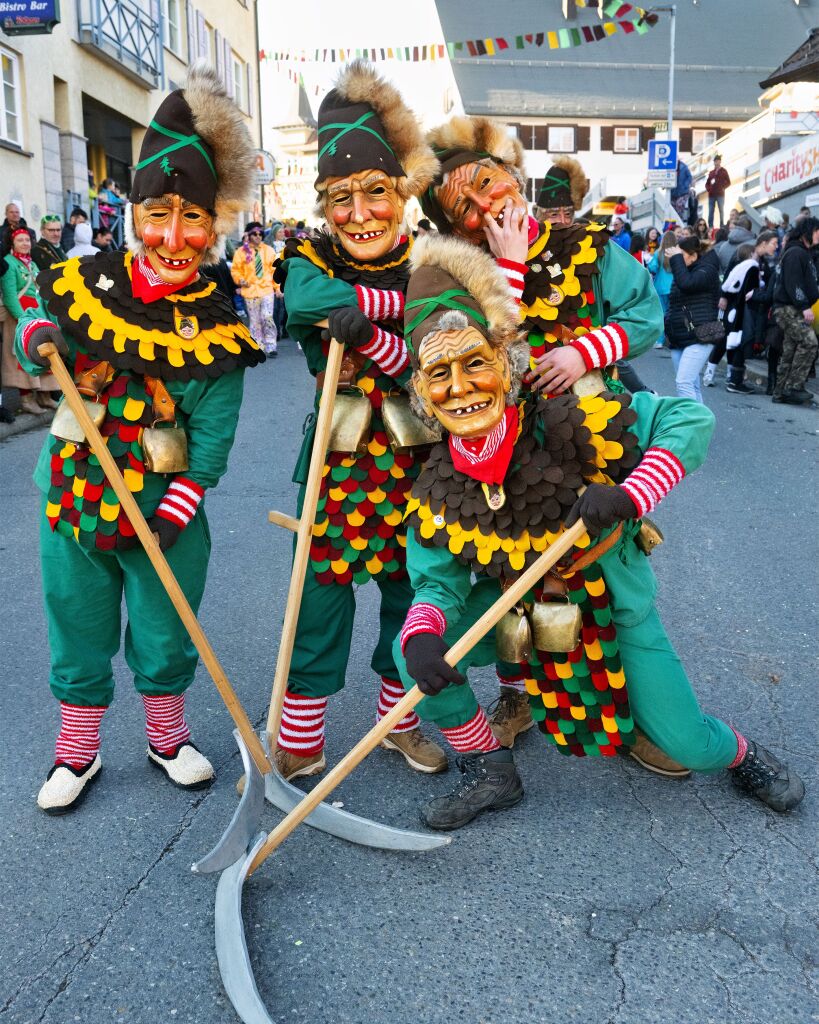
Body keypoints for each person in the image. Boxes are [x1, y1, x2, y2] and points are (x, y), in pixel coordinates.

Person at [392, 234, 804, 830]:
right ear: (422, 395)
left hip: (612, 604)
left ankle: (741, 753)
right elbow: (436, 584)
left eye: (474, 362)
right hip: (523, 616)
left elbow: (691, 417)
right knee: (415, 653)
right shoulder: (438, 484)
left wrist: (632, 493)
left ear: (505, 361)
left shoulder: (574, 417)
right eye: (439, 373)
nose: (459, 387)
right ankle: (489, 766)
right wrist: (424, 633)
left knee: (687, 745)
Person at [13, 65, 264, 814]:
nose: (174, 235)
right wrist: (37, 338)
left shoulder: (219, 319)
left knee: (164, 626)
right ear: (134, 211)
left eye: (193, 219)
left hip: (165, 509)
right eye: (159, 213)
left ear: (214, 224)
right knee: (78, 620)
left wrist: (178, 505)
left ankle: (166, 737)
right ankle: (78, 751)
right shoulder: (81, 278)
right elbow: (33, 334)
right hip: (74, 495)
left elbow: (213, 433)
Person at [419, 139, 668, 765]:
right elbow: (479, 351)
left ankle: (648, 717)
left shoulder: (588, 248)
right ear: (453, 227)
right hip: (508, 462)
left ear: (512, 174)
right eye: (464, 206)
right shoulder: (456, 276)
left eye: (489, 183)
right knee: (520, 589)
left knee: (613, 589)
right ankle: (524, 700)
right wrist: (506, 266)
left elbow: (646, 313)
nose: (485, 204)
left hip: (591, 447)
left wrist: (587, 350)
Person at [270, 61, 447, 780]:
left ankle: (393, 728)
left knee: (410, 596)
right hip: (335, 466)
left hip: (419, 465)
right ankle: (302, 741)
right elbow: (305, 302)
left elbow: (448, 323)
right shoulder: (305, 258)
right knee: (316, 600)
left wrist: (376, 319)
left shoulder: (435, 260)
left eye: (375, 193)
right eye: (339, 198)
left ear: (402, 193)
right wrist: (394, 307)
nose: (360, 213)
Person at [703, 231, 779, 393]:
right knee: (726, 340)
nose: (776, 246)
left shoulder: (764, 263)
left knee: (735, 342)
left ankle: (733, 377)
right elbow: (730, 277)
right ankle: (711, 373)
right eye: (774, 243)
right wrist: (724, 296)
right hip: (735, 308)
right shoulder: (745, 258)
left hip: (747, 310)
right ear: (763, 243)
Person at [1, 228, 59, 414]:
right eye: (20, 240)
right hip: (19, 317)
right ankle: (26, 399)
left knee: (41, 354)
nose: (25, 243)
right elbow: (10, 295)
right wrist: (22, 320)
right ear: (12, 243)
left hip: (35, 313)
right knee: (21, 357)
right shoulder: (9, 263)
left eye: (27, 240)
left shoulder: (31, 263)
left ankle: (45, 397)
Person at [664, 236, 721, 402]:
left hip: (700, 335)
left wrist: (676, 259)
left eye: (681, 255)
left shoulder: (707, 270)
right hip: (680, 336)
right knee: (691, 385)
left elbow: (687, 284)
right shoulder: (685, 271)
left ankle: (692, 425)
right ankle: (701, 425)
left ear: (694, 256)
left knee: (683, 383)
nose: (677, 260)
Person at [770, 216, 819, 405]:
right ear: (808, 231)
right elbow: (793, 284)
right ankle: (794, 387)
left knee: (790, 350)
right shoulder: (796, 253)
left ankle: (780, 392)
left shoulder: (801, 253)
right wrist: (805, 306)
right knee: (810, 342)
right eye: (817, 231)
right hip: (788, 309)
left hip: (792, 308)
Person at [231, 222, 278, 356]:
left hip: (267, 289)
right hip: (250, 291)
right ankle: (258, 346)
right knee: (255, 321)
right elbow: (236, 270)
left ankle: (271, 345)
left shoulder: (269, 250)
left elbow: (275, 270)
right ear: (249, 235)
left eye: (260, 234)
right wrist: (240, 280)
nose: (258, 236)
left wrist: (278, 287)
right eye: (254, 234)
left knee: (267, 317)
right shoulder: (241, 252)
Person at [647, 229, 678, 348]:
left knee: (661, 314)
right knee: (674, 314)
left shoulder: (658, 253)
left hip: (660, 288)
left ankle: (660, 340)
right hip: (674, 287)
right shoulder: (678, 253)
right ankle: (674, 340)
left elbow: (652, 268)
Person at [704, 156, 730, 228]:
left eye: (717, 161)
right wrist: (709, 189)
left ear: (720, 161)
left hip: (720, 194)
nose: (716, 162)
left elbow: (728, 182)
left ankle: (722, 225)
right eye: (715, 161)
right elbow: (707, 183)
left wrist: (723, 187)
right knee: (711, 211)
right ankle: (710, 226)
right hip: (711, 194)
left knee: (721, 210)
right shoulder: (711, 172)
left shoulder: (724, 171)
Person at [670, 158, 693, 223]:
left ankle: (679, 221)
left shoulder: (684, 167)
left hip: (683, 192)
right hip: (673, 193)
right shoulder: (670, 167)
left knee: (679, 205)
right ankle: (674, 222)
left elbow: (689, 177)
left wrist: (684, 186)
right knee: (672, 208)